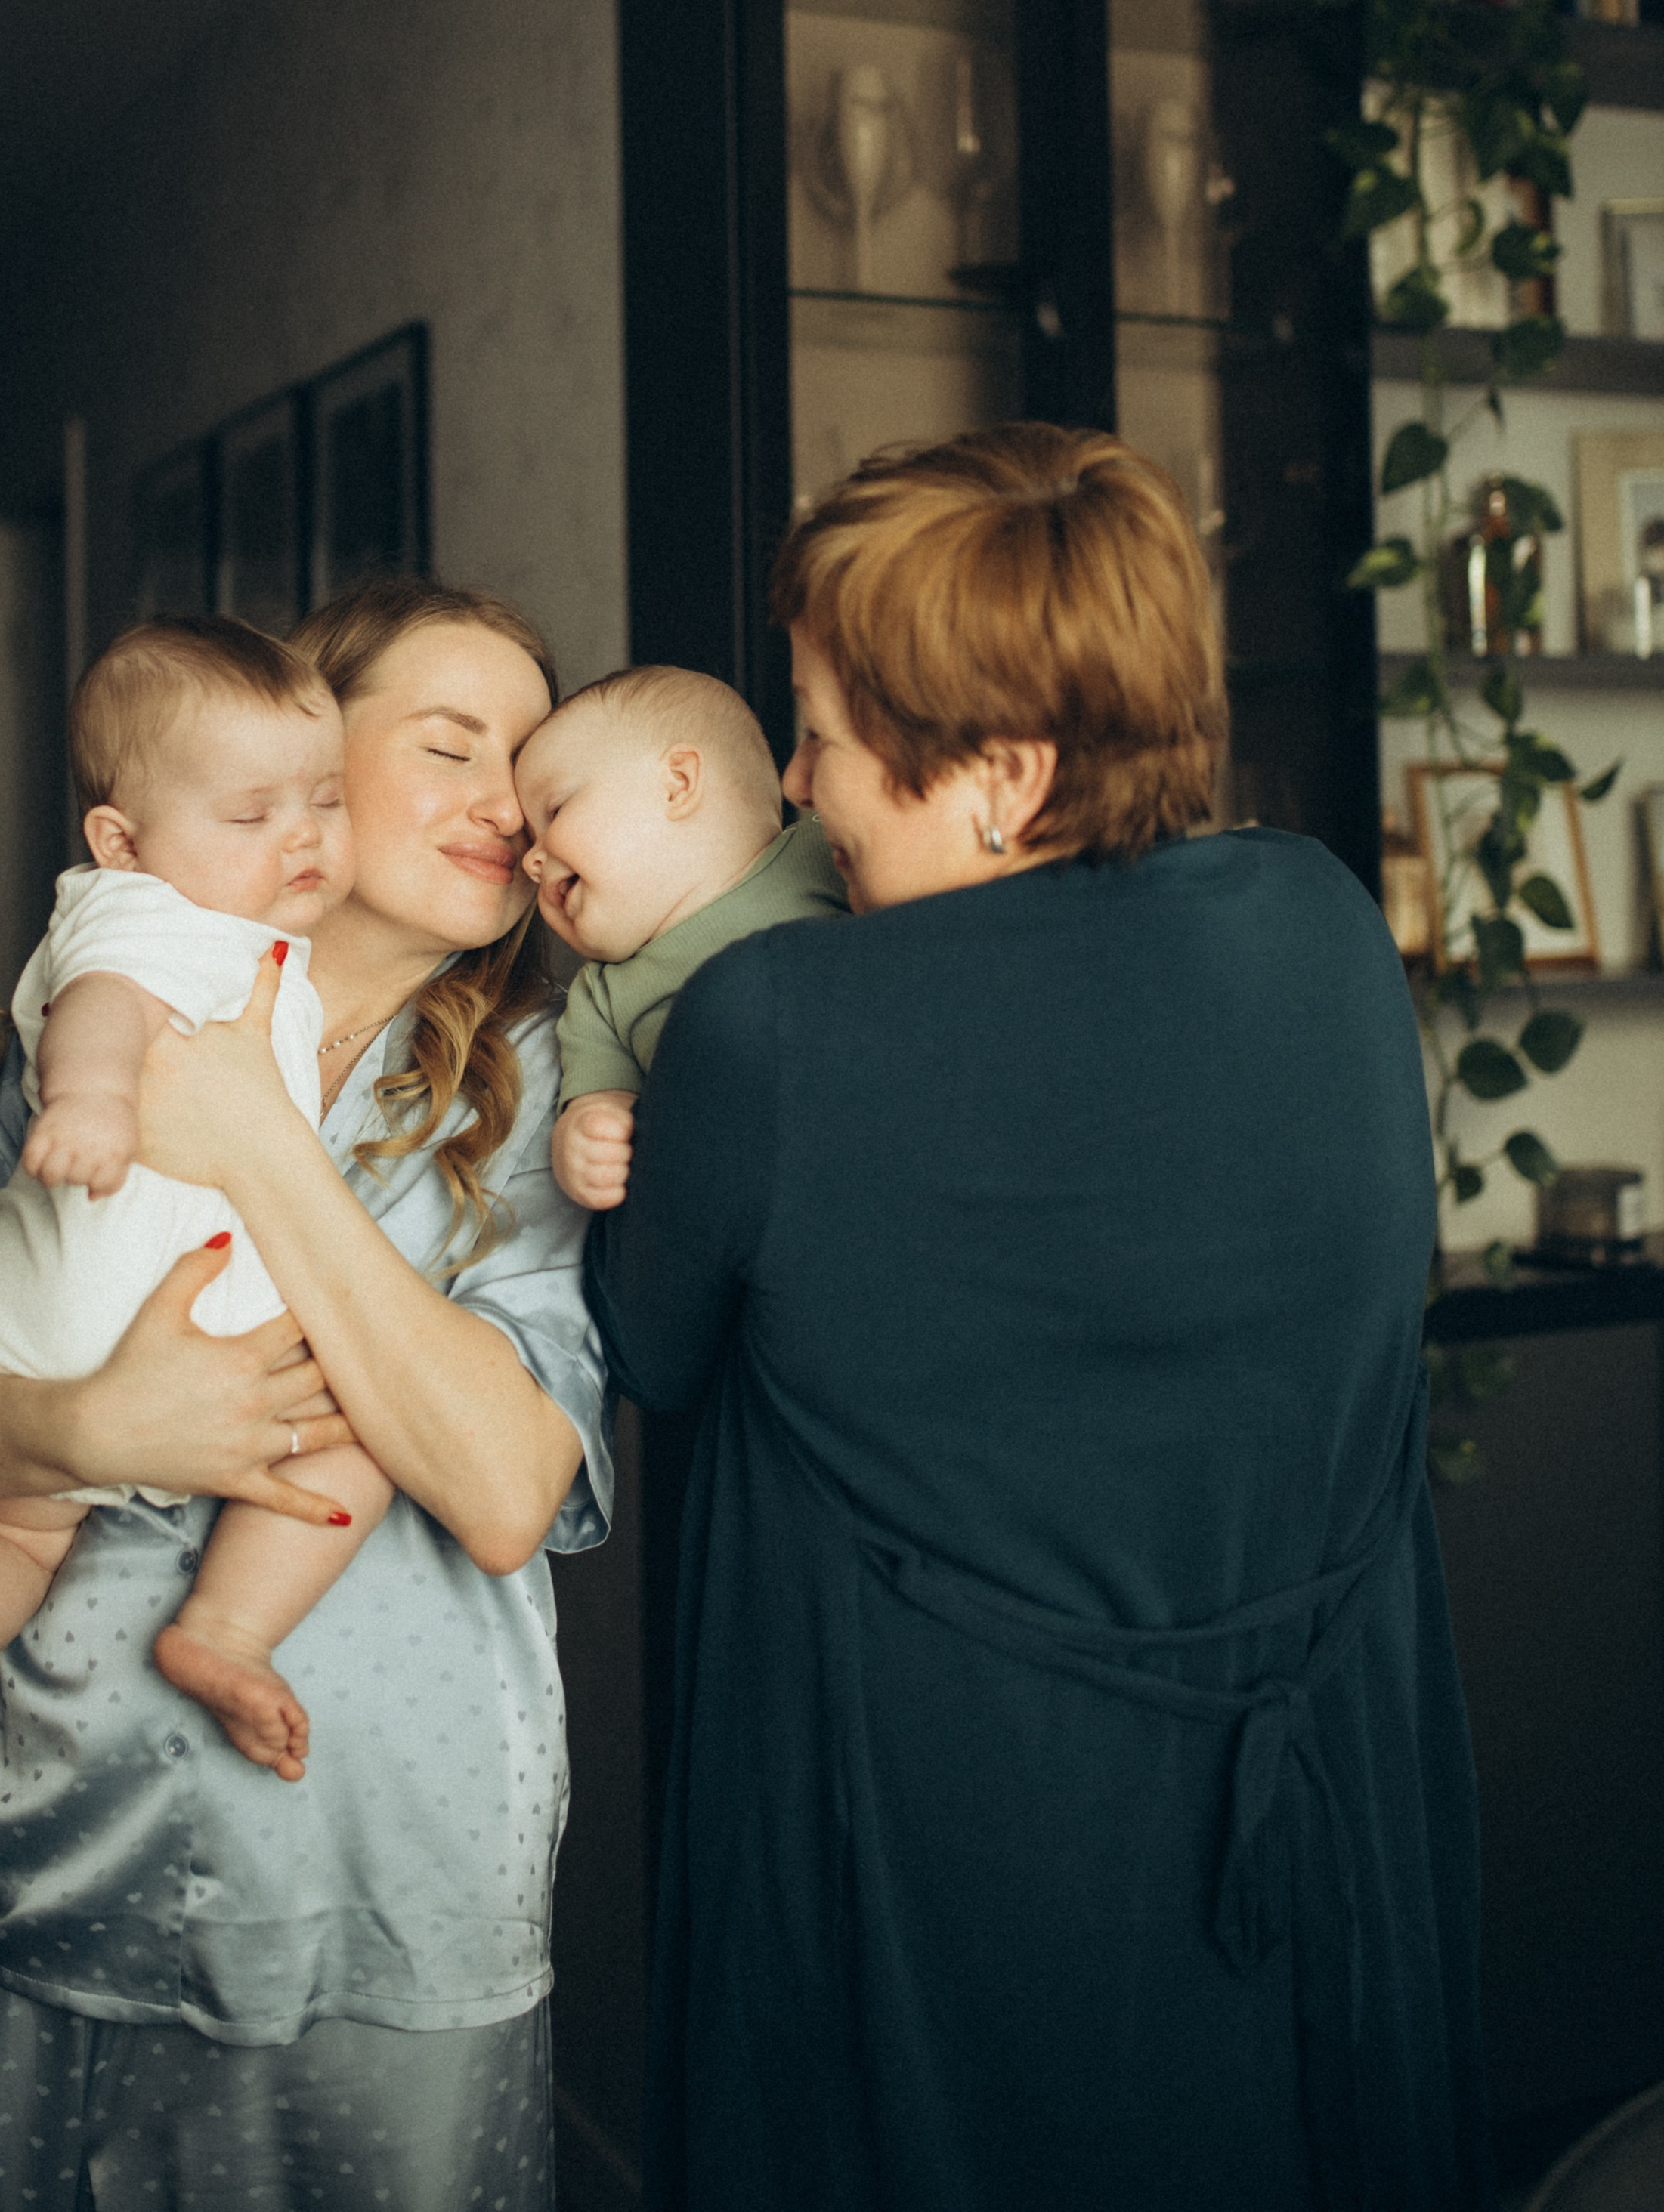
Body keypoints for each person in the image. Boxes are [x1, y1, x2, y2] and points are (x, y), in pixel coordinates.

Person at [586, 425, 1492, 2212]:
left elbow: (653, 1347)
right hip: (1308, 1837)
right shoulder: (1319, 922)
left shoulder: (771, 1027)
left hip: (952, 1868)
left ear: (999, 770)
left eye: (830, 738)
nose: (796, 786)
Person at [0, 578, 611, 2212]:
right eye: (448, 745)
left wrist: (256, 1133)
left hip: (391, 1874)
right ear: (303, 748)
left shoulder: (556, 1096)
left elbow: (507, 1486)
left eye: (525, 763)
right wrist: (82, 1431)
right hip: (65, 1846)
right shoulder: (95, 1031)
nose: (501, 801)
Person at [0, 616, 396, 1830]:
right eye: (252, 816)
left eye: (323, 799)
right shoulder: (142, 913)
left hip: (66, 1317)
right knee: (362, 1446)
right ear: (123, 840)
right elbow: (96, 1007)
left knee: (3, 1531)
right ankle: (223, 1628)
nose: (303, 836)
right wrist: (91, 1100)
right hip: (119, 1282)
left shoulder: (248, 931)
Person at [515, 663, 843, 1210]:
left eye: (554, 811)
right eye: (530, 837)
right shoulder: (599, 998)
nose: (531, 859)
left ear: (678, 784)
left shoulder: (820, 856)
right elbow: (600, 1100)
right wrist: (588, 1134)